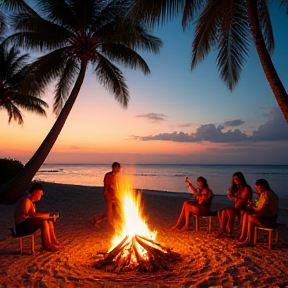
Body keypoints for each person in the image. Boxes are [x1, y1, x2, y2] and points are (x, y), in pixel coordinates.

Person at [14, 182, 60, 252]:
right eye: (40, 194)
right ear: (35, 192)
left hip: (26, 223)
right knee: (43, 221)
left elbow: (33, 215)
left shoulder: (29, 200)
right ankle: (47, 245)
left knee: (48, 220)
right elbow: (31, 215)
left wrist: (49, 216)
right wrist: (48, 215)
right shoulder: (26, 200)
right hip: (21, 227)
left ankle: (53, 242)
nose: (40, 196)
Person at [236, 179, 279, 247]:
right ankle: (244, 236)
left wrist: (252, 206)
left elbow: (260, 208)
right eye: (256, 188)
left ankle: (248, 240)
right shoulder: (273, 194)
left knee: (249, 217)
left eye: (258, 188)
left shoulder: (265, 194)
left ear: (263, 186)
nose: (257, 190)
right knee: (247, 214)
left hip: (269, 221)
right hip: (272, 219)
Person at [216, 172, 252, 238]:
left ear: (242, 178)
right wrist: (231, 196)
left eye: (237, 178)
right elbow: (232, 196)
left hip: (244, 208)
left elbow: (243, 200)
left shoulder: (246, 188)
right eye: (234, 179)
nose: (236, 180)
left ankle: (222, 229)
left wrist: (234, 198)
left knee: (225, 211)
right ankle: (224, 229)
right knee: (222, 211)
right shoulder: (236, 187)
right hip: (237, 207)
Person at [94, 162, 122, 228]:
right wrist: (106, 193)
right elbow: (106, 186)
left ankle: (114, 223)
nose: (119, 169)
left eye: (119, 167)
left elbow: (118, 186)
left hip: (116, 196)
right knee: (109, 212)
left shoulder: (117, 176)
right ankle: (97, 219)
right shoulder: (108, 175)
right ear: (114, 167)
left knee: (117, 210)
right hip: (109, 196)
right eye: (117, 167)